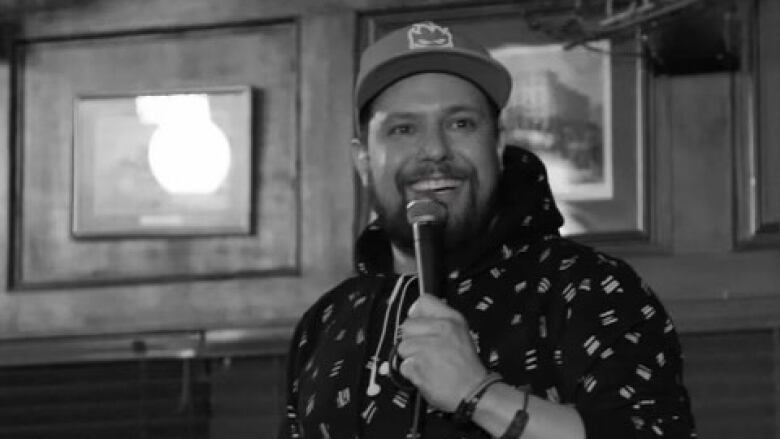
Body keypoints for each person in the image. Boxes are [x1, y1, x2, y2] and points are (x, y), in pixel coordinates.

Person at [279, 21, 696, 439]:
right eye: (403, 129)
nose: (435, 150)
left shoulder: (592, 288)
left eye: (460, 123)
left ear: (497, 145)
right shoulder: (327, 321)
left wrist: (478, 393)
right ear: (364, 160)